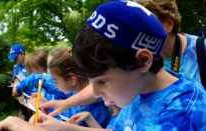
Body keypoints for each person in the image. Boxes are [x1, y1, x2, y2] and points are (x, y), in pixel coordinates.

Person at [0, 1, 206, 131]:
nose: (95, 93)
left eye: (102, 81)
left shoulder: (182, 106)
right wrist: (61, 128)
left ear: (143, 60)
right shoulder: (139, 87)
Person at [41, 0, 206, 119]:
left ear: (169, 23)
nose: (131, 28)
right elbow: (101, 80)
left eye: (146, 20)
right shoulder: (132, 62)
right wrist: (66, 104)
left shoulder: (199, 51)